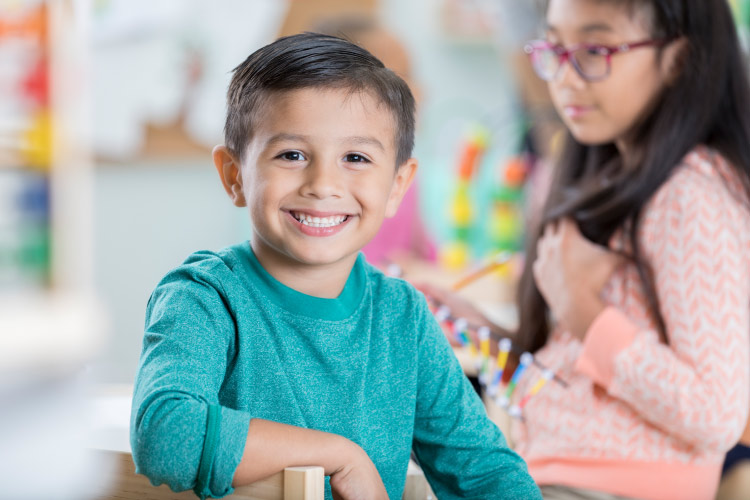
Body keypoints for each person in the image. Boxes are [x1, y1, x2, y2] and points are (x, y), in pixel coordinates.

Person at [129, 33, 541, 500]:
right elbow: (166, 436)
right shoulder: (203, 298)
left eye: (356, 158)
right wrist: (341, 455)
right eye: (291, 155)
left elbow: (486, 474)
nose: (324, 184)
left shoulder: (402, 318)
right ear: (234, 176)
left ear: (397, 186)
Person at [422, 1, 750, 499]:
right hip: (553, 475)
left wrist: (583, 311)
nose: (566, 77)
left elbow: (714, 414)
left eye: (595, 49)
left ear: (679, 60)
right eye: (555, 47)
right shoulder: (614, 178)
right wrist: (486, 332)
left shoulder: (691, 195)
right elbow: (586, 384)